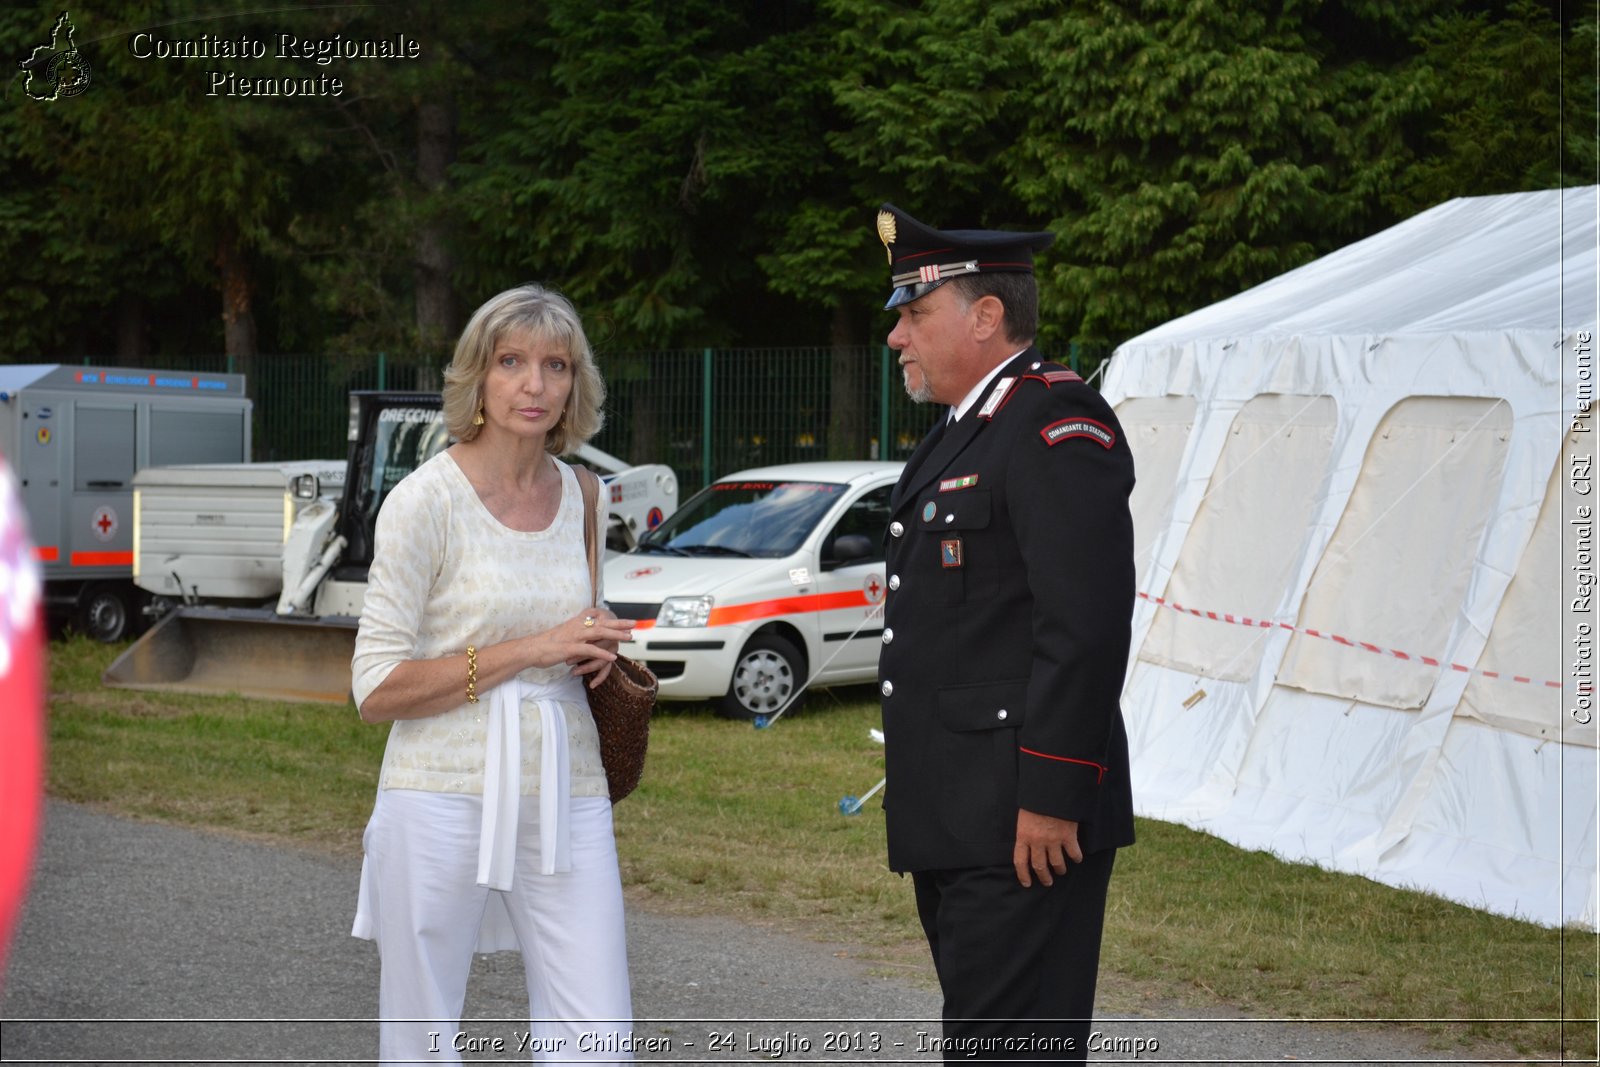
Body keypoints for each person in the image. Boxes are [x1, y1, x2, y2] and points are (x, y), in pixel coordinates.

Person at [872, 203, 1137, 1062]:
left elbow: (1085, 627)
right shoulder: (960, 433)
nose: (896, 338)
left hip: (1027, 820)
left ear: (986, 316)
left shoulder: (1058, 426)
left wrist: (1056, 795)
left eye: (913, 314)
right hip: (962, 812)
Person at [350, 283, 638, 1063]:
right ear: (478, 376)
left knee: (597, 1031)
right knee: (424, 1027)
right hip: (440, 785)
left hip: (569, 781)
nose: (535, 384)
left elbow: (573, 631)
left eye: (556, 365)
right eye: (512, 361)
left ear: (577, 383)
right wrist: (533, 646)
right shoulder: (424, 502)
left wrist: (592, 648)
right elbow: (374, 688)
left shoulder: (584, 493)